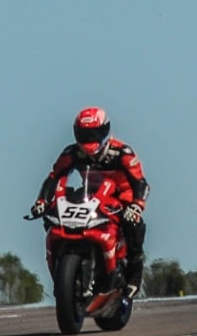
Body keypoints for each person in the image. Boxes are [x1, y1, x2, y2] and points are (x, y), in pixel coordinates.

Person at [30, 107, 151, 297]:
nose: (88, 140)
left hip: (121, 197)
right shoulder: (71, 153)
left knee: (132, 224)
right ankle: (62, 264)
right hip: (90, 195)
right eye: (84, 134)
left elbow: (141, 183)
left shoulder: (122, 153)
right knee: (52, 215)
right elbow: (54, 176)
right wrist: (42, 202)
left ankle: (134, 275)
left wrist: (136, 205)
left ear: (105, 131)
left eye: (93, 134)